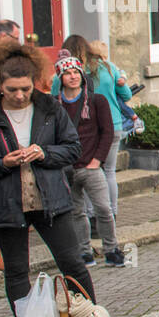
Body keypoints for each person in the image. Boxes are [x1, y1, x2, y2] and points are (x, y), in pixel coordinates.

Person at [0, 41, 103, 317]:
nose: (19, 95)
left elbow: (72, 148)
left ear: (33, 82)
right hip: (6, 204)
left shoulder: (49, 108)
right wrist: (3, 163)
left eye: (25, 88)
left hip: (50, 199)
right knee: (15, 271)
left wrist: (44, 152)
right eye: (12, 89)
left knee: (72, 262)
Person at [53, 51, 124, 267]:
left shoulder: (96, 101)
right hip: (67, 168)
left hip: (91, 166)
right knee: (76, 212)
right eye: (67, 73)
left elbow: (107, 132)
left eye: (76, 72)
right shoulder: (55, 105)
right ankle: (84, 252)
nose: (73, 76)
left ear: (82, 76)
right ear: (60, 78)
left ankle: (111, 249)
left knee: (103, 209)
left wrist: (97, 161)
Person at [51, 34, 133, 220]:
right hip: (114, 123)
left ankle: (90, 215)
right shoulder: (108, 67)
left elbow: (54, 99)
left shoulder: (67, 72)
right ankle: (111, 212)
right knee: (109, 171)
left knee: (86, 170)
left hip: (84, 128)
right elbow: (126, 95)